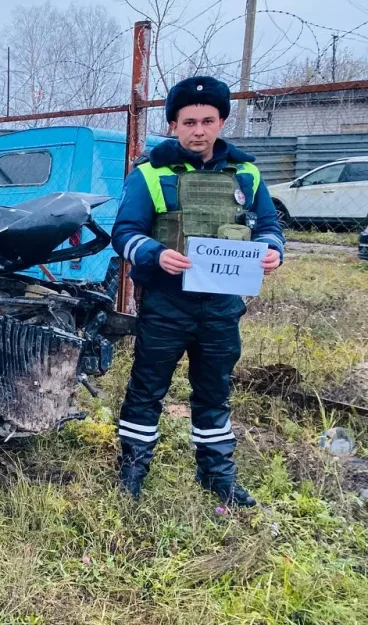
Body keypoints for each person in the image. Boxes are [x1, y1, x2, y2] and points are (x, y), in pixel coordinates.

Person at [110, 76, 285, 507]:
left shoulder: (246, 173)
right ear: (173, 124)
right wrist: (152, 253)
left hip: (223, 305)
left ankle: (217, 476)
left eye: (208, 120)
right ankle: (132, 471)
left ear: (222, 121)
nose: (199, 130)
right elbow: (124, 232)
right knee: (147, 388)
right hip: (167, 303)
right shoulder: (150, 174)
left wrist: (272, 251)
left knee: (214, 389)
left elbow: (268, 225)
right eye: (189, 121)